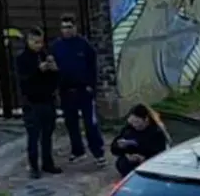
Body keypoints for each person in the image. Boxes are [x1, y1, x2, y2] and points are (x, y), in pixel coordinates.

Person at [51, 14, 105, 167]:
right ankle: (77, 150)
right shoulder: (57, 46)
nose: (66, 31)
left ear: (75, 27)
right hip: (66, 91)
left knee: (90, 124)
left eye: (69, 27)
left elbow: (93, 67)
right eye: (63, 27)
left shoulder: (84, 45)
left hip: (84, 90)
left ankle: (98, 152)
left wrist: (91, 86)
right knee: (71, 123)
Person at [15, 27, 62, 179]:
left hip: (48, 101)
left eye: (41, 42)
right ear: (28, 41)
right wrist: (37, 70)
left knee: (47, 135)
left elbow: (54, 80)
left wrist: (54, 70)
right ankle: (34, 167)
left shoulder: (44, 55)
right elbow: (24, 81)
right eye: (35, 42)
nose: (39, 45)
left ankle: (48, 163)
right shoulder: (22, 58)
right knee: (33, 136)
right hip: (32, 103)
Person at [110, 104, 171, 178]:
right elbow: (114, 149)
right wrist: (119, 146)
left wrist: (143, 158)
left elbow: (161, 155)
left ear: (146, 119)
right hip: (128, 166)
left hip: (148, 167)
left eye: (137, 122)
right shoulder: (129, 129)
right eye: (132, 122)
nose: (134, 125)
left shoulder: (156, 133)